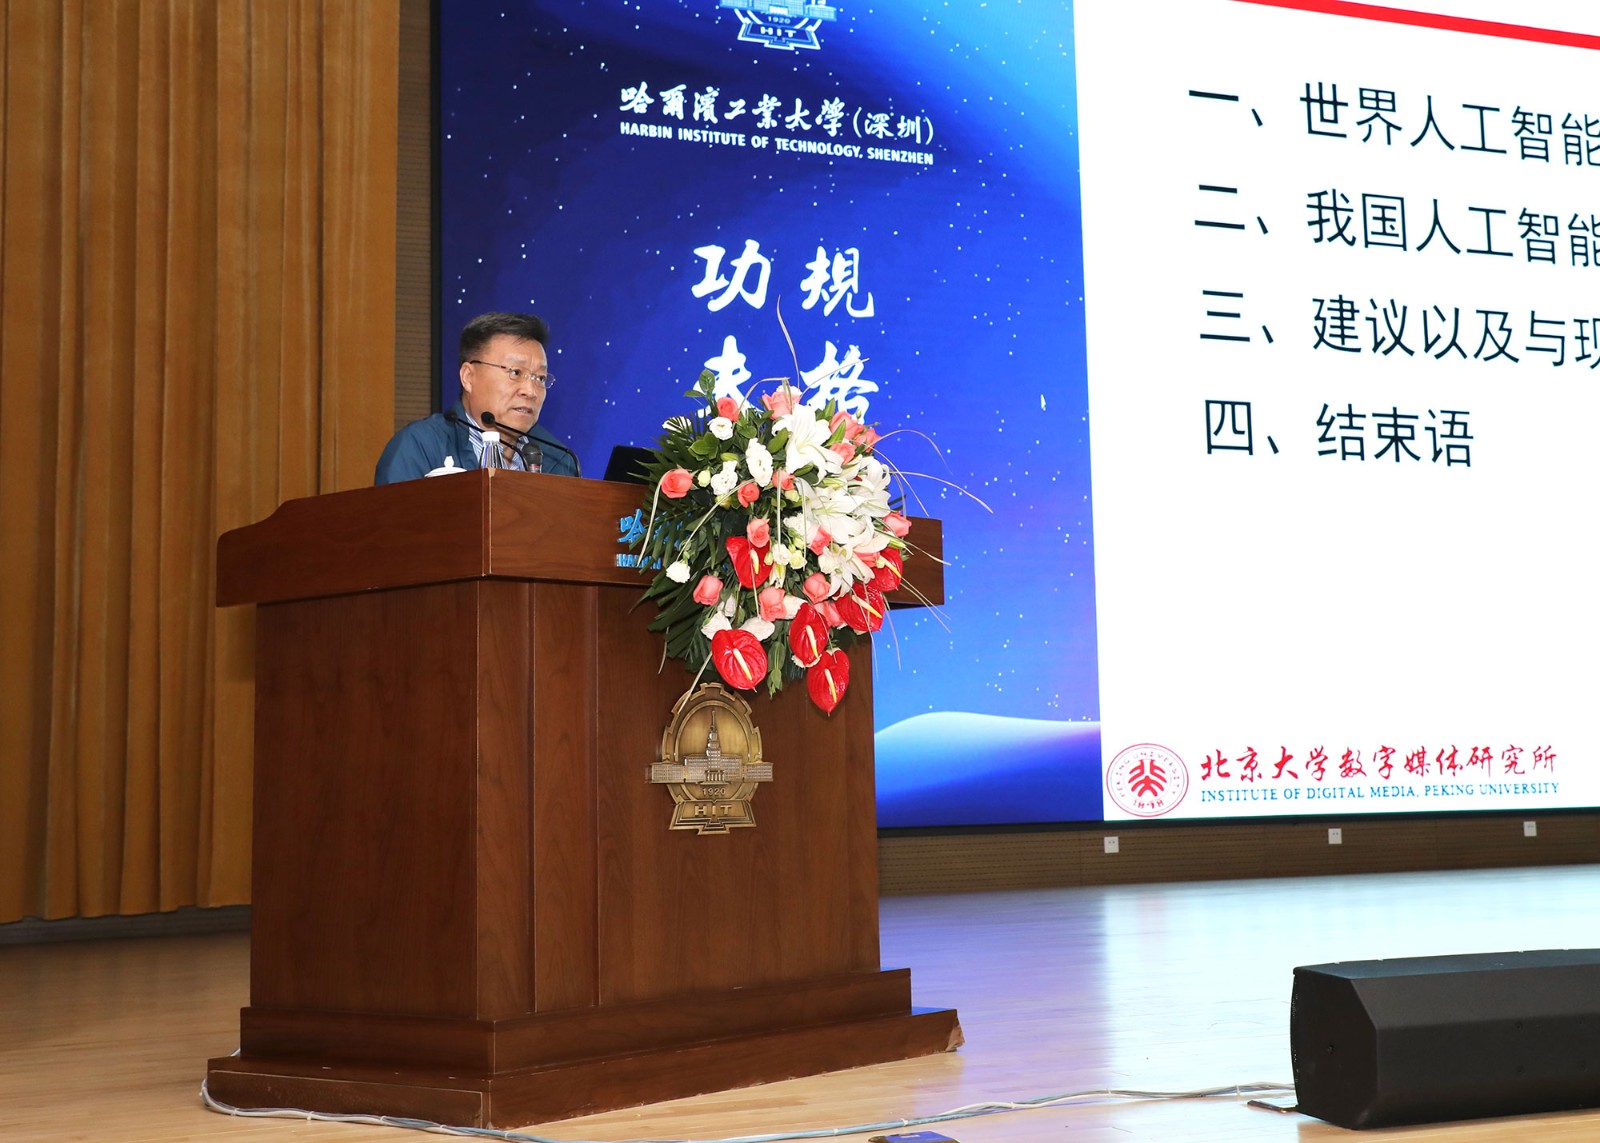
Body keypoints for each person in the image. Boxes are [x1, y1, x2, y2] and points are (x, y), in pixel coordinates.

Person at [374, 311, 581, 484]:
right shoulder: (420, 448)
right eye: (515, 372)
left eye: (540, 378)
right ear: (468, 377)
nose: (530, 390)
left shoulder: (560, 460)